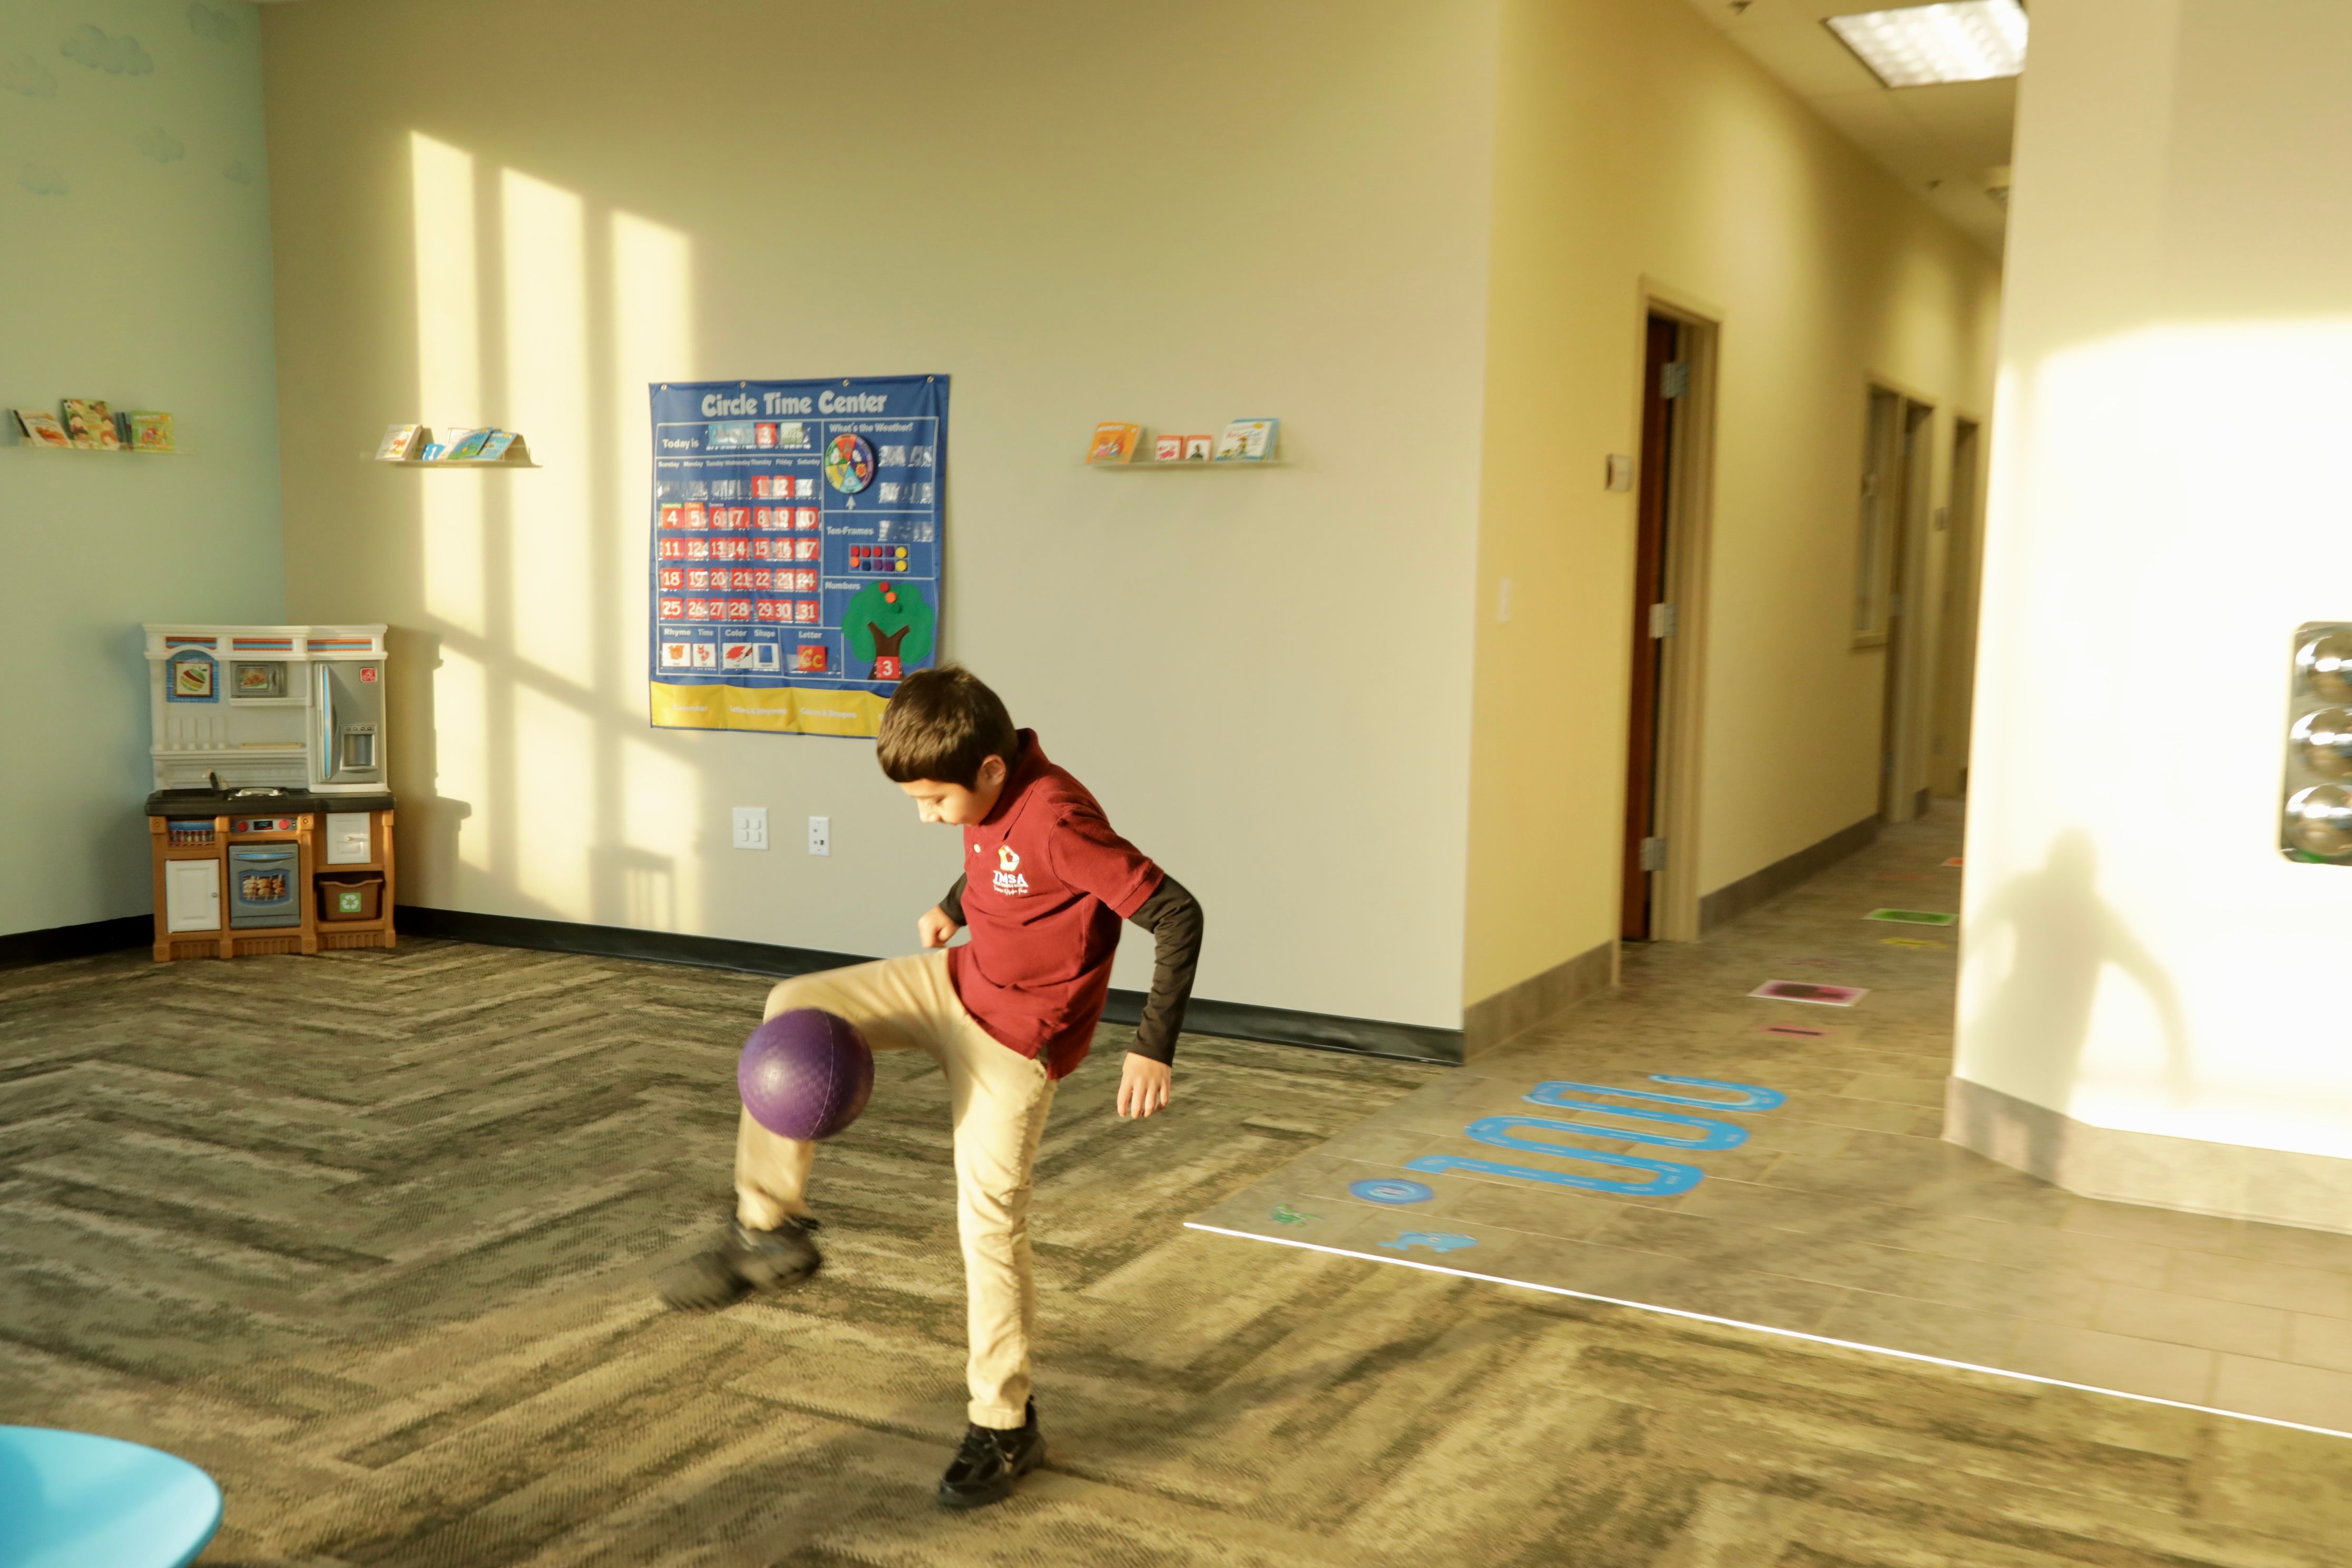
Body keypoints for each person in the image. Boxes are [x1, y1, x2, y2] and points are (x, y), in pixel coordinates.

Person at [658, 665, 1205, 1510]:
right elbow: (995, 857)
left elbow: (1177, 913)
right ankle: (769, 1228)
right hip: (957, 983)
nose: (927, 816)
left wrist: (1151, 1047)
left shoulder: (1059, 820)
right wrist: (955, 904)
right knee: (793, 1003)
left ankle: (1005, 1423)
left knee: (989, 1226)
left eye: (935, 800)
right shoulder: (989, 786)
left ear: (990, 769)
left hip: (1015, 1041)